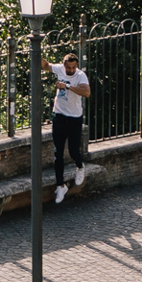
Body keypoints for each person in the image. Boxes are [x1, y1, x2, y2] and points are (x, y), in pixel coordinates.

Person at [49, 54, 90, 204]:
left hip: (74, 118)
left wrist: (66, 86)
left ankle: (80, 166)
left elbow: (86, 93)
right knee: (57, 153)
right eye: (68, 68)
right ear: (64, 65)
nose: (71, 70)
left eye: (73, 67)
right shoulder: (59, 69)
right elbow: (45, 65)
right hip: (59, 115)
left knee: (73, 151)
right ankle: (60, 186)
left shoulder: (80, 76)